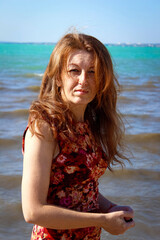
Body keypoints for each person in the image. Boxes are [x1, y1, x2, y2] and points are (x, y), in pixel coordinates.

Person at [21, 33, 135, 240]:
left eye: (92, 72)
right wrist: (102, 220)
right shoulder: (44, 128)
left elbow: (79, 187)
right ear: (57, 77)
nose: (83, 80)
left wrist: (109, 207)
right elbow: (33, 211)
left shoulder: (87, 125)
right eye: (74, 71)